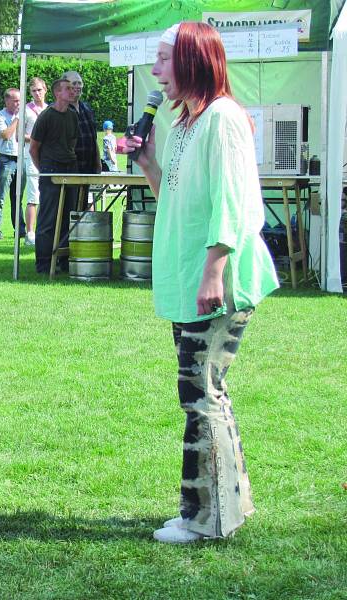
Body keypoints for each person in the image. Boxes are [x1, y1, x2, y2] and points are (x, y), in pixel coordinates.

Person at [124, 22, 279, 544]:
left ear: (192, 61)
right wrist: (148, 164)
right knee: (207, 393)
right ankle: (222, 506)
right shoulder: (190, 122)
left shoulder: (224, 119)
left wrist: (215, 269)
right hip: (192, 277)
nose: (155, 71)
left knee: (200, 394)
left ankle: (207, 519)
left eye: (164, 60)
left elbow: (235, 203)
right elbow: (180, 196)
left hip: (217, 282)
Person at [30, 78, 79, 275]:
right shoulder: (46, 117)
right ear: (57, 93)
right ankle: (43, 263)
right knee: (48, 217)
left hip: (70, 167)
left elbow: (72, 142)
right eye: (68, 88)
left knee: (69, 215)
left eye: (73, 88)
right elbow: (34, 148)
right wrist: (44, 169)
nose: (73, 91)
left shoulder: (73, 116)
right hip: (51, 170)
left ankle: (64, 260)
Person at [0, 88, 26, 239]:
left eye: (20, 100)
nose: (19, 103)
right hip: (6, 159)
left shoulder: (25, 115)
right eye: (16, 100)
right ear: (7, 101)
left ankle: (20, 230)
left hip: (21, 159)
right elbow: (5, 135)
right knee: (0, 197)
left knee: (18, 197)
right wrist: (17, 120)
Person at [23, 77, 48, 246]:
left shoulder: (50, 109)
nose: (37, 93)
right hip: (31, 154)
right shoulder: (26, 110)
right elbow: (19, 134)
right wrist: (35, 140)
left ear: (45, 90)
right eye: (34, 91)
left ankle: (43, 229)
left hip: (48, 155)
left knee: (47, 191)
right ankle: (30, 232)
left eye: (39, 90)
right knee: (33, 193)